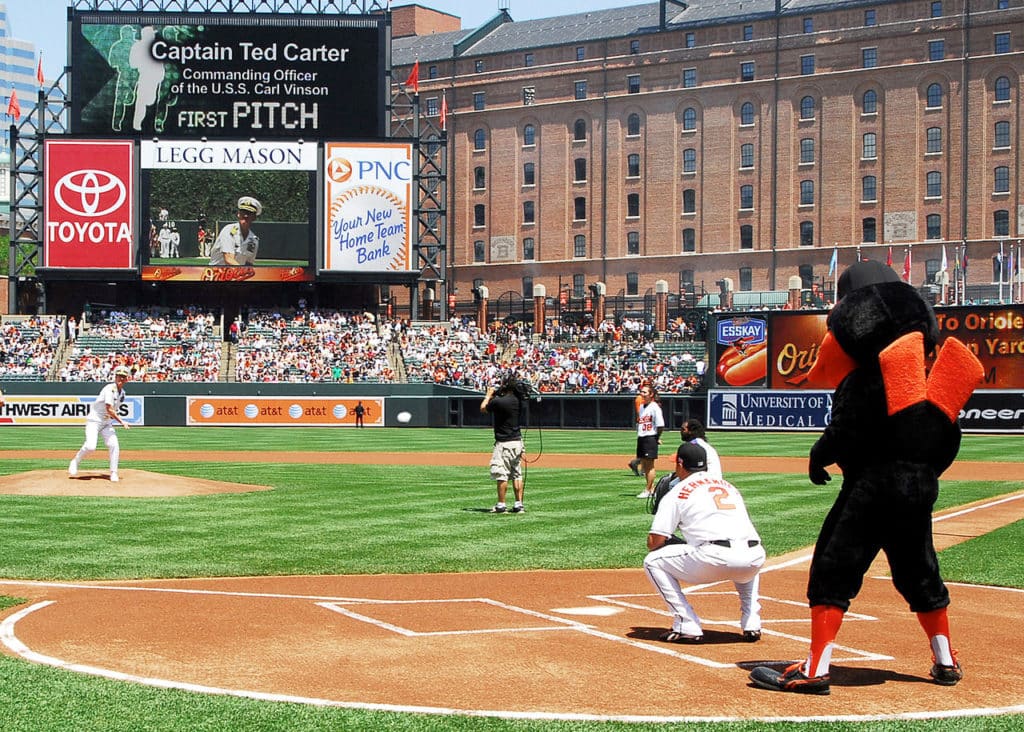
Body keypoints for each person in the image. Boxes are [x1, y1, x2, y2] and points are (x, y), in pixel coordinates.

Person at [643, 442, 765, 643]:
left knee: (653, 561)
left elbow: (655, 542)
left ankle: (686, 623)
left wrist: (673, 542)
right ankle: (752, 622)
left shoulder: (677, 492)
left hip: (713, 559)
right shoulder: (729, 486)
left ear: (680, 464)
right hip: (755, 559)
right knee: (744, 550)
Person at [69, 365, 132, 482]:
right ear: (115, 377)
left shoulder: (122, 393)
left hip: (106, 423)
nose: (120, 379)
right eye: (119, 376)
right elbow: (109, 409)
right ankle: (75, 461)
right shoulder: (109, 389)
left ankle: (114, 472)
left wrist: (113, 419)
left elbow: (112, 410)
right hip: (94, 421)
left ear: (127, 379)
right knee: (90, 446)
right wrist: (122, 422)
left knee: (114, 445)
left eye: (123, 376)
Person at [480, 371, 528, 514]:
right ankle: (519, 504)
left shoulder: (499, 401)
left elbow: (483, 408)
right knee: (516, 474)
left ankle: (501, 505)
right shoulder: (518, 400)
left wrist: (488, 395)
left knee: (502, 474)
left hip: (504, 443)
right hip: (517, 441)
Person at [210, 197, 261, 266]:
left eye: (249, 213)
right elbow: (228, 259)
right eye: (243, 212)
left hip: (237, 275)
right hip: (217, 274)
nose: (245, 216)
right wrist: (243, 271)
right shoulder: (229, 231)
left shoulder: (254, 240)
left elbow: (249, 264)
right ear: (238, 214)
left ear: (254, 217)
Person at [635, 384, 664, 499]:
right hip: (642, 437)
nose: (642, 394)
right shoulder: (642, 407)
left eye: (645, 392)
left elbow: (660, 425)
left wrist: (656, 437)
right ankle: (651, 489)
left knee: (650, 466)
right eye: (641, 392)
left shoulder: (655, 407)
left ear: (651, 394)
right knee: (645, 466)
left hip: (650, 437)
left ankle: (648, 490)